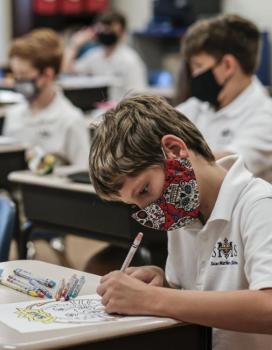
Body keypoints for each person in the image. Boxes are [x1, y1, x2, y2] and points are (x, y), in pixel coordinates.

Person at [90, 95, 272, 350]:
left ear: (175, 150)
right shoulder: (183, 214)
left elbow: (268, 308)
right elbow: (192, 298)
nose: (149, 211)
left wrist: (152, 299)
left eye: (144, 190)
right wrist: (161, 282)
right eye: (136, 205)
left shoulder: (259, 204)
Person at [176, 14, 272, 182]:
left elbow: (228, 163)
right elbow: (156, 127)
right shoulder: (198, 106)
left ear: (228, 65)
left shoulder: (266, 117)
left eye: (198, 65)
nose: (194, 75)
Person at [3, 28, 90, 168]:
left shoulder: (71, 120)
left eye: (24, 75)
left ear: (47, 75)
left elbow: (83, 172)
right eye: (15, 75)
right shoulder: (13, 115)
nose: (18, 81)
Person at [62, 10, 147, 101]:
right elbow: (67, 70)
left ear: (122, 32)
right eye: (103, 28)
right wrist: (75, 44)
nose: (105, 32)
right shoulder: (94, 55)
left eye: (110, 29)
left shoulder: (130, 60)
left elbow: (138, 95)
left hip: (121, 111)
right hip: (97, 110)